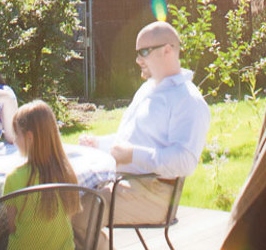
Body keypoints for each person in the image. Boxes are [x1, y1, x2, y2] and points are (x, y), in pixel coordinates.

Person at [79, 20, 210, 239]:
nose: (138, 59)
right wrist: (99, 144)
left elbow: (185, 162)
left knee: (77, 214)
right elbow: (132, 140)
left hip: (155, 195)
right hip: (127, 183)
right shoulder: (149, 88)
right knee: (62, 204)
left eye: (144, 52)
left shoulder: (187, 100)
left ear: (168, 50)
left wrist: (132, 155)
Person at [2, 100, 79, 250]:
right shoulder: (68, 173)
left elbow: (12, 227)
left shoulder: (14, 178)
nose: (15, 141)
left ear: (29, 137)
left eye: (17, 135)